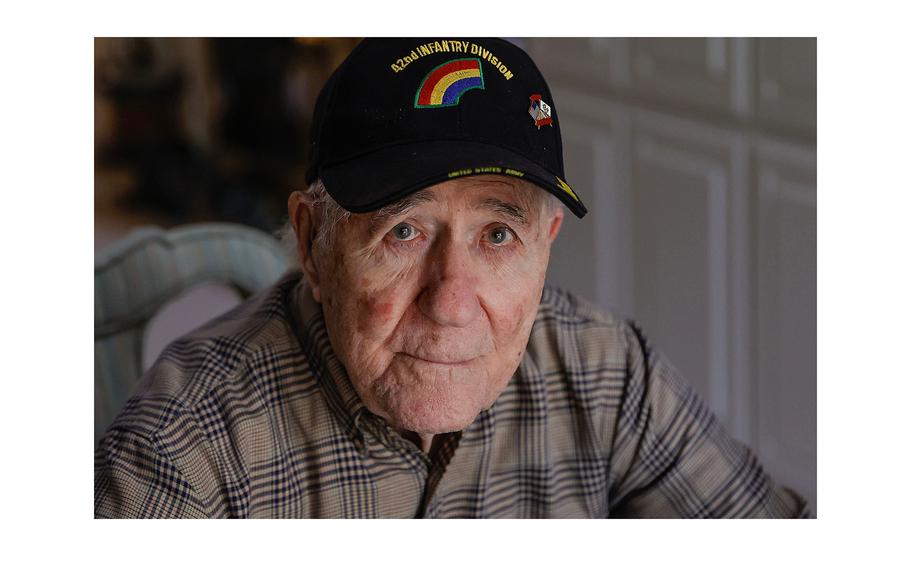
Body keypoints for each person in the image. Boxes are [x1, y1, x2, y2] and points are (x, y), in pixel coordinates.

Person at [95, 37, 810, 518]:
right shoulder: (186, 444)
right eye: (404, 231)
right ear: (314, 245)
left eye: (497, 235)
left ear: (546, 246)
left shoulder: (606, 371)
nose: (451, 303)